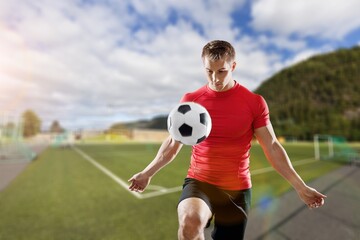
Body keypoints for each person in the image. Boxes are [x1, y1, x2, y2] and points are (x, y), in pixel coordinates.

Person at [128, 40, 326, 240]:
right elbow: (173, 143)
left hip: (237, 189)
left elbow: (272, 147)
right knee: (190, 224)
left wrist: (300, 186)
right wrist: (147, 173)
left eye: (221, 71)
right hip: (200, 182)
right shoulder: (191, 101)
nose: (215, 78)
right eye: (209, 71)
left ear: (233, 66)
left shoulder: (254, 103)